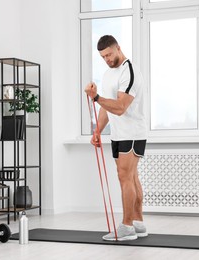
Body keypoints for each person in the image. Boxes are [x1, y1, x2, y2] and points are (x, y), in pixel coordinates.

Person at [85, 35, 148, 241]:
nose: (107, 59)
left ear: (118, 48)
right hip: (118, 134)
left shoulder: (129, 71)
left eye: (109, 54)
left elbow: (120, 107)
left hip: (132, 132)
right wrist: (97, 131)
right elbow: (107, 107)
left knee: (124, 177)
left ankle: (127, 226)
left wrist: (95, 97)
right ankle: (138, 223)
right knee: (131, 177)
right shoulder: (107, 74)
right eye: (103, 57)